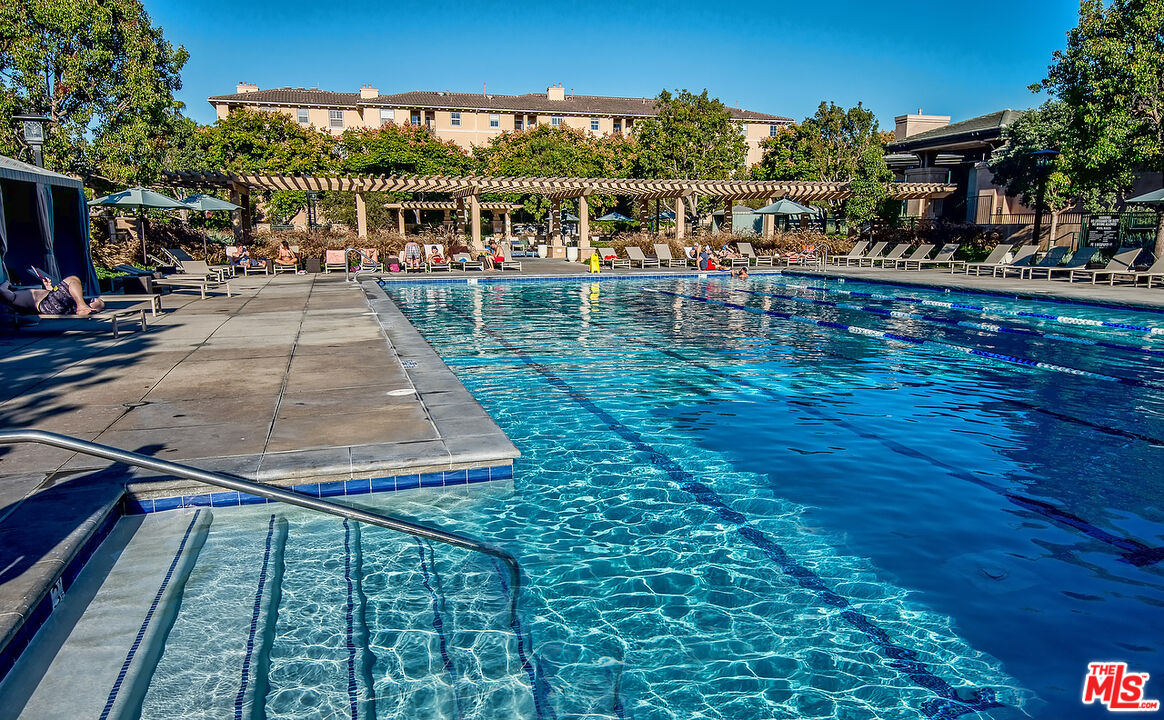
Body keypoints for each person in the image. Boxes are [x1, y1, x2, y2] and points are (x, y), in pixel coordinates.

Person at [1, 277, 105, 316]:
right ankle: (81, 306)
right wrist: (6, 281)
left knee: (98, 302)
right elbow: (1, 290)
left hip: (53, 303)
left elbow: (50, 296)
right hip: (47, 305)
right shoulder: (12, 298)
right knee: (72, 279)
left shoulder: (17, 293)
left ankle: (83, 307)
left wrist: (48, 287)